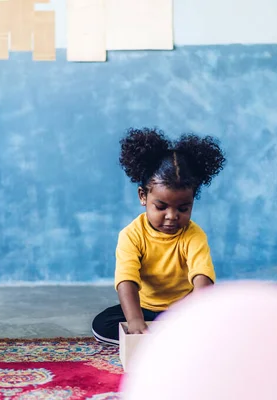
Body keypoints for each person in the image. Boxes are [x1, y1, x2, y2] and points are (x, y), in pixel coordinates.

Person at [91, 127, 227, 345]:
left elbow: (203, 281)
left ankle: (168, 333)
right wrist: (134, 320)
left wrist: (185, 312)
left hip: (181, 308)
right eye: (161, 207)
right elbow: (127, 280)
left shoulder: (193, 235)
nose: (172, 216)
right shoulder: (132, 235)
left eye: (183, 208)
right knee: (101, 325)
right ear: (143, 196)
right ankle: (157, 335)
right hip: (144, 308)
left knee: (222, 319)